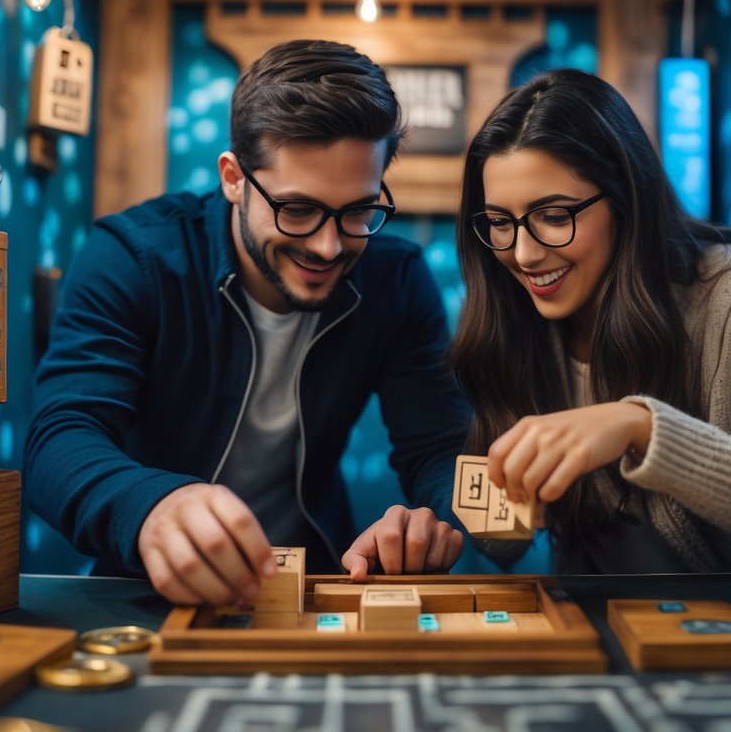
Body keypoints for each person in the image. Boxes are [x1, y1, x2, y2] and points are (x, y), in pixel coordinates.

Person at [24, 39, 469, 605]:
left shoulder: (397, 280)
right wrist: (154, 506)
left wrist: (432, 520)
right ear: (234, 178)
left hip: (315, 586)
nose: (329, 246)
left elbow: (437, 448)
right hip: (152, 590)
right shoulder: (133, 257)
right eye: (297, 210)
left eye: (358, 211)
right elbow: (60, 439)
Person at [450, 69, 731, 574]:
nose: (523, 254)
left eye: (556, 216)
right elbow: (501, 545)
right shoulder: (511, 316)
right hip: (585, 617)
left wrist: (641, 428)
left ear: (625, 198)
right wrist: (449, 522)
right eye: (500, 223)